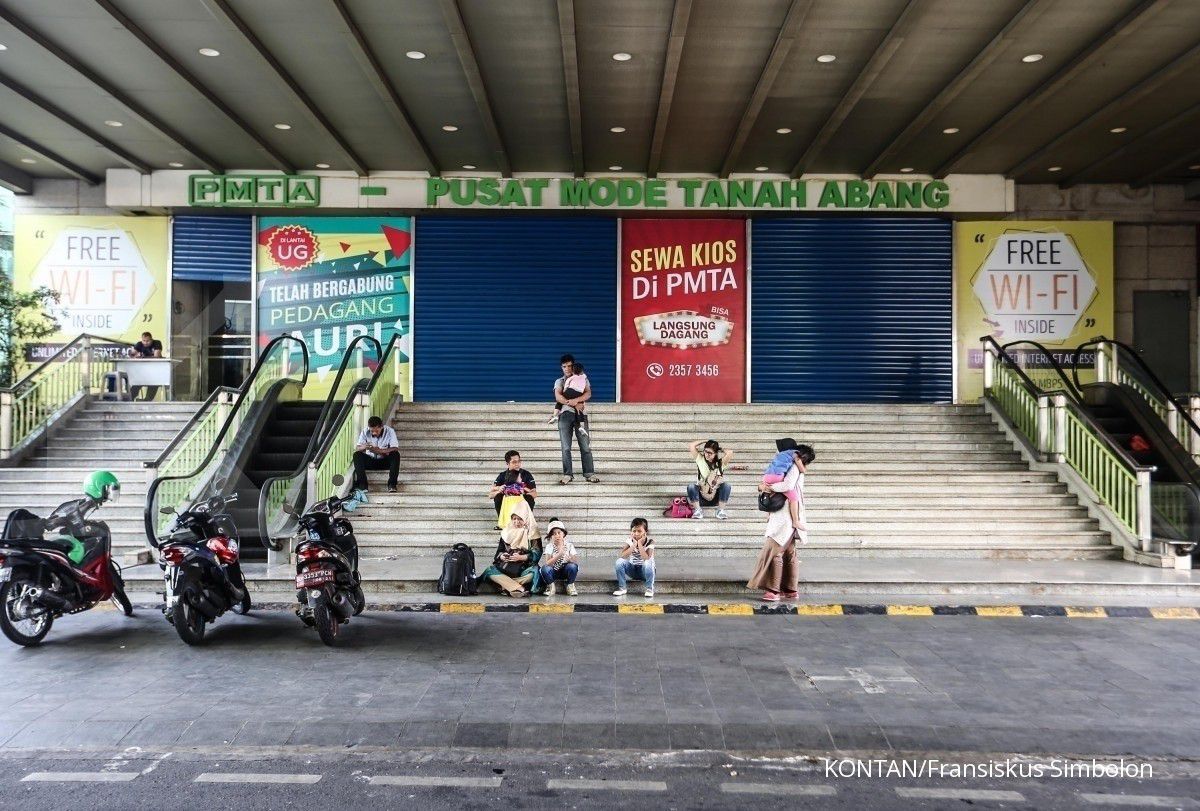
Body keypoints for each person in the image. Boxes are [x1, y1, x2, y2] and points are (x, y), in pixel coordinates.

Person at [749, 440, 815, 603]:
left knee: (775, 551)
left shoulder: (792, 467)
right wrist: (763, 486)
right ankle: (790, 589)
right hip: (789, 515)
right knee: (789, 552)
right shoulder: (794, 467)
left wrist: (769, 488)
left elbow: (787, 486)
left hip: (784, 517)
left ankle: (773, 590)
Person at [478, 500, 542, 597]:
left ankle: (506, 586)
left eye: (520, 519)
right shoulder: (506, 532)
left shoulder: (532, 532)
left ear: (526, 518)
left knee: (535, 572)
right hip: (506, 567)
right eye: (514, 518)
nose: (516, 522)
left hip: (524, 568)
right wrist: (502, 556)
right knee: (489, 570)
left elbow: (537, 553)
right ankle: (519, 588)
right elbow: (499, 553)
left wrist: (523, 557)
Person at [554, 353, 599, 484]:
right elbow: (558, 397)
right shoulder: (560, 381)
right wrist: (573, 403)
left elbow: (588, 393)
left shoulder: (582, 378)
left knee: (585, 446)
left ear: (573, 366)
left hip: (581, 415)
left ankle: (589, 473)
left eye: (569, 366)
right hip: (565, 416)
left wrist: (576, 400)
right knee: (566, 447)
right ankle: (568, 474)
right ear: (561, 368)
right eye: (564, 366)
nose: (567, 369)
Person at [488, 450, 537, 529]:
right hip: (507, 502)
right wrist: (499, 490)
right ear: (508, 464)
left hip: (521, 501)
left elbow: (534, 494)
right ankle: (502, 523)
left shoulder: (526, 474)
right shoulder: (502, 476)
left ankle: (525, 522)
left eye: (519, 461)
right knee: (498, 497)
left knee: (529, 498)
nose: (517, 464)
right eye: (514, 462)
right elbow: (490, 495)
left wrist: (522, 490)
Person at [352, 415, 400, 495]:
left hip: (384, 461)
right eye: (371, 431)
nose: (374, 433)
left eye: (376, 431)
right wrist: (364, 446)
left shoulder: (390, 431)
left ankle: (392, 484)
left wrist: (380, 451)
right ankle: (363, 485)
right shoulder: (365, 432)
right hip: (371, 461)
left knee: (395, 455)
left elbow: (395, 448)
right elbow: (357, 448)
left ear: (381, 427)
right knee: (357, 455)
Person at [686, 439, 733, 520]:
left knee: (726, 485)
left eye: (710, 453)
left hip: (715, 498)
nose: (706, 454)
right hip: (701, 497)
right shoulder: (700, 459)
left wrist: (718, 448)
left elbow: (730, 452)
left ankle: (720, 511)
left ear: (715, 454)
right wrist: (705, 441)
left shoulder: (721, 463)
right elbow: (692, 446)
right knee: (691, 486)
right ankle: (698, 510)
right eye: (705, 451)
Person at [613, 517, 655, 598]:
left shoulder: (650, 541)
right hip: (633, 571)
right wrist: (634, 545)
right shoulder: (630, 540)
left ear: (645, 532)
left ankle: (649, 589)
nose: (636, 533)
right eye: (634, 531)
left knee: (648, 562)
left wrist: (639, 543)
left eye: (639, 531)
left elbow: (646, 557)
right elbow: (623, 555)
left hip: (645, 572)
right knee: (619, 562)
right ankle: (622, 588)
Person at [538, 518, 579, 596]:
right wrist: (559, 555)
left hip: (565, 570)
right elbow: (548, 563)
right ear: (550, 536)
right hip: (553, 571)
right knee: (544, 569)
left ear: (563, 534)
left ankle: (570, 585)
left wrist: (570, 559)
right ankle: (550, 586)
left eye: (559, 533)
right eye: (554, 534)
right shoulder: (549, 546)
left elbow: (575, 561)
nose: (557, 535)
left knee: (573, 567)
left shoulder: (569, 545)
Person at [548, 362, 590, 437]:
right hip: (580, 393)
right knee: (579, 410)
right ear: (581, 371)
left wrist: (565, 391)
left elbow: (567, 384)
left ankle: (555, 415)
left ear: (573, 371)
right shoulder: (584, 377)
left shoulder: (572, 377)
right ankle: (581, 426)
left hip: (571, 391)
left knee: (559, 402)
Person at [130, 331, 163, 400]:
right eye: (144, 341)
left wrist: (142, 357)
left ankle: (147, 400)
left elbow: (156, 356)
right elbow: (132, 354)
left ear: (151, 339)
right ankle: (129, 399)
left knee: (154, 383)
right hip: (144, 371)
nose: (145, 343)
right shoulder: (139, 344)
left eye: (148, 341)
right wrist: (134, 354)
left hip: (156, 370)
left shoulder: (157, 343)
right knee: (137, 382)